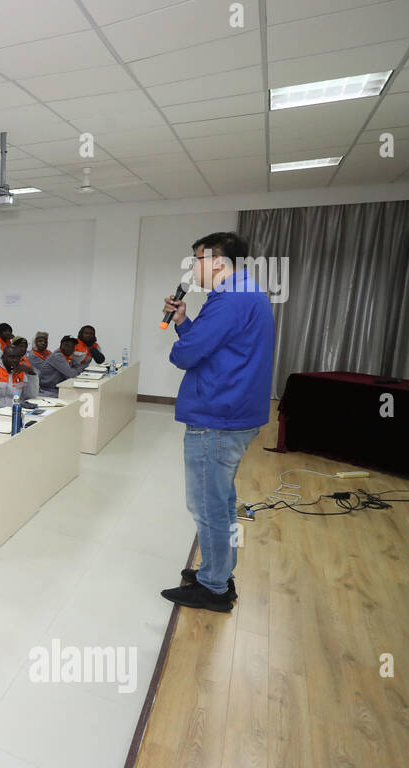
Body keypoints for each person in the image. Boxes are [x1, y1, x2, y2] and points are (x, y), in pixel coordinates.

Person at [160, 231, 275, 612]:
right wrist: (184, 320)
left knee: (207, 504)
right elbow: (211, 348)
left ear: (219, 263)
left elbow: (186, 355)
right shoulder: (248, 293)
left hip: (217, 416)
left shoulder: (229, 300)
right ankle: (218, 571)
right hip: (233, 411)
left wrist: (182, 340)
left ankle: (213, 588)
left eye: (197, 260)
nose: (193, 267)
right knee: (222, 501)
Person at [0, 344, 40, 410]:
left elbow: (32, 395)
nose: (14, 360)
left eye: (17, 357)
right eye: (11, 357)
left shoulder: (22, 371)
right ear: (3, 357)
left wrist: (31, 372)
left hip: (15, 410)